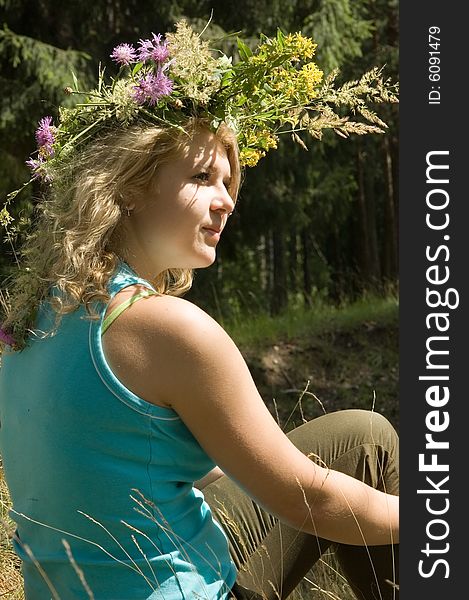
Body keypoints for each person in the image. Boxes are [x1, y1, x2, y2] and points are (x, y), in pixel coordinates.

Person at [0, 22, 399, 600]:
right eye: (201, 177)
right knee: (370, 455)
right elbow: (310, 499)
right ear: (129, 186)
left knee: (357, 438)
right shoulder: (166, 328)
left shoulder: (34, 321)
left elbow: (141, 461)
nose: (228, 199)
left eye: (228, 179)